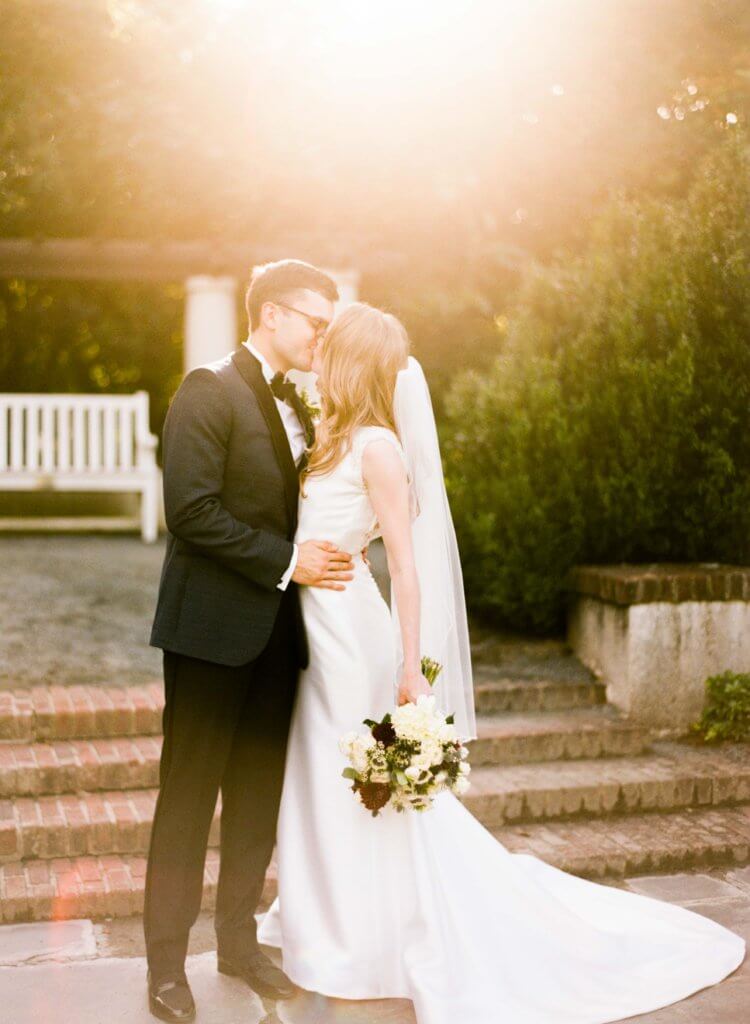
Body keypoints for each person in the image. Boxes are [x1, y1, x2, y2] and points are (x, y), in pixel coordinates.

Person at [256, 302, 746, 1024]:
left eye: (331, 340)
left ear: (351, 358)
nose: (318, 347)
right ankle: (324, 924)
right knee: (316, 777)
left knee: (354, 782)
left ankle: (361, 941)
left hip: (352, 638)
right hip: (308, 631)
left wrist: (407, 671)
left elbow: (409, 570)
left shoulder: (378, 448)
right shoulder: (326, 436)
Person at [143, 259, 356, 1023]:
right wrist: (290, 561)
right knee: (188, 801)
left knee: (258, 800)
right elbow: (191, 512)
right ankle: (166, 969)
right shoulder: (208, 388)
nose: (322, 336)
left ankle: (238, 946)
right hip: (209, 635)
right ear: (272, 314)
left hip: (279, 638)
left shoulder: (300, 400)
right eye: (315, 321)